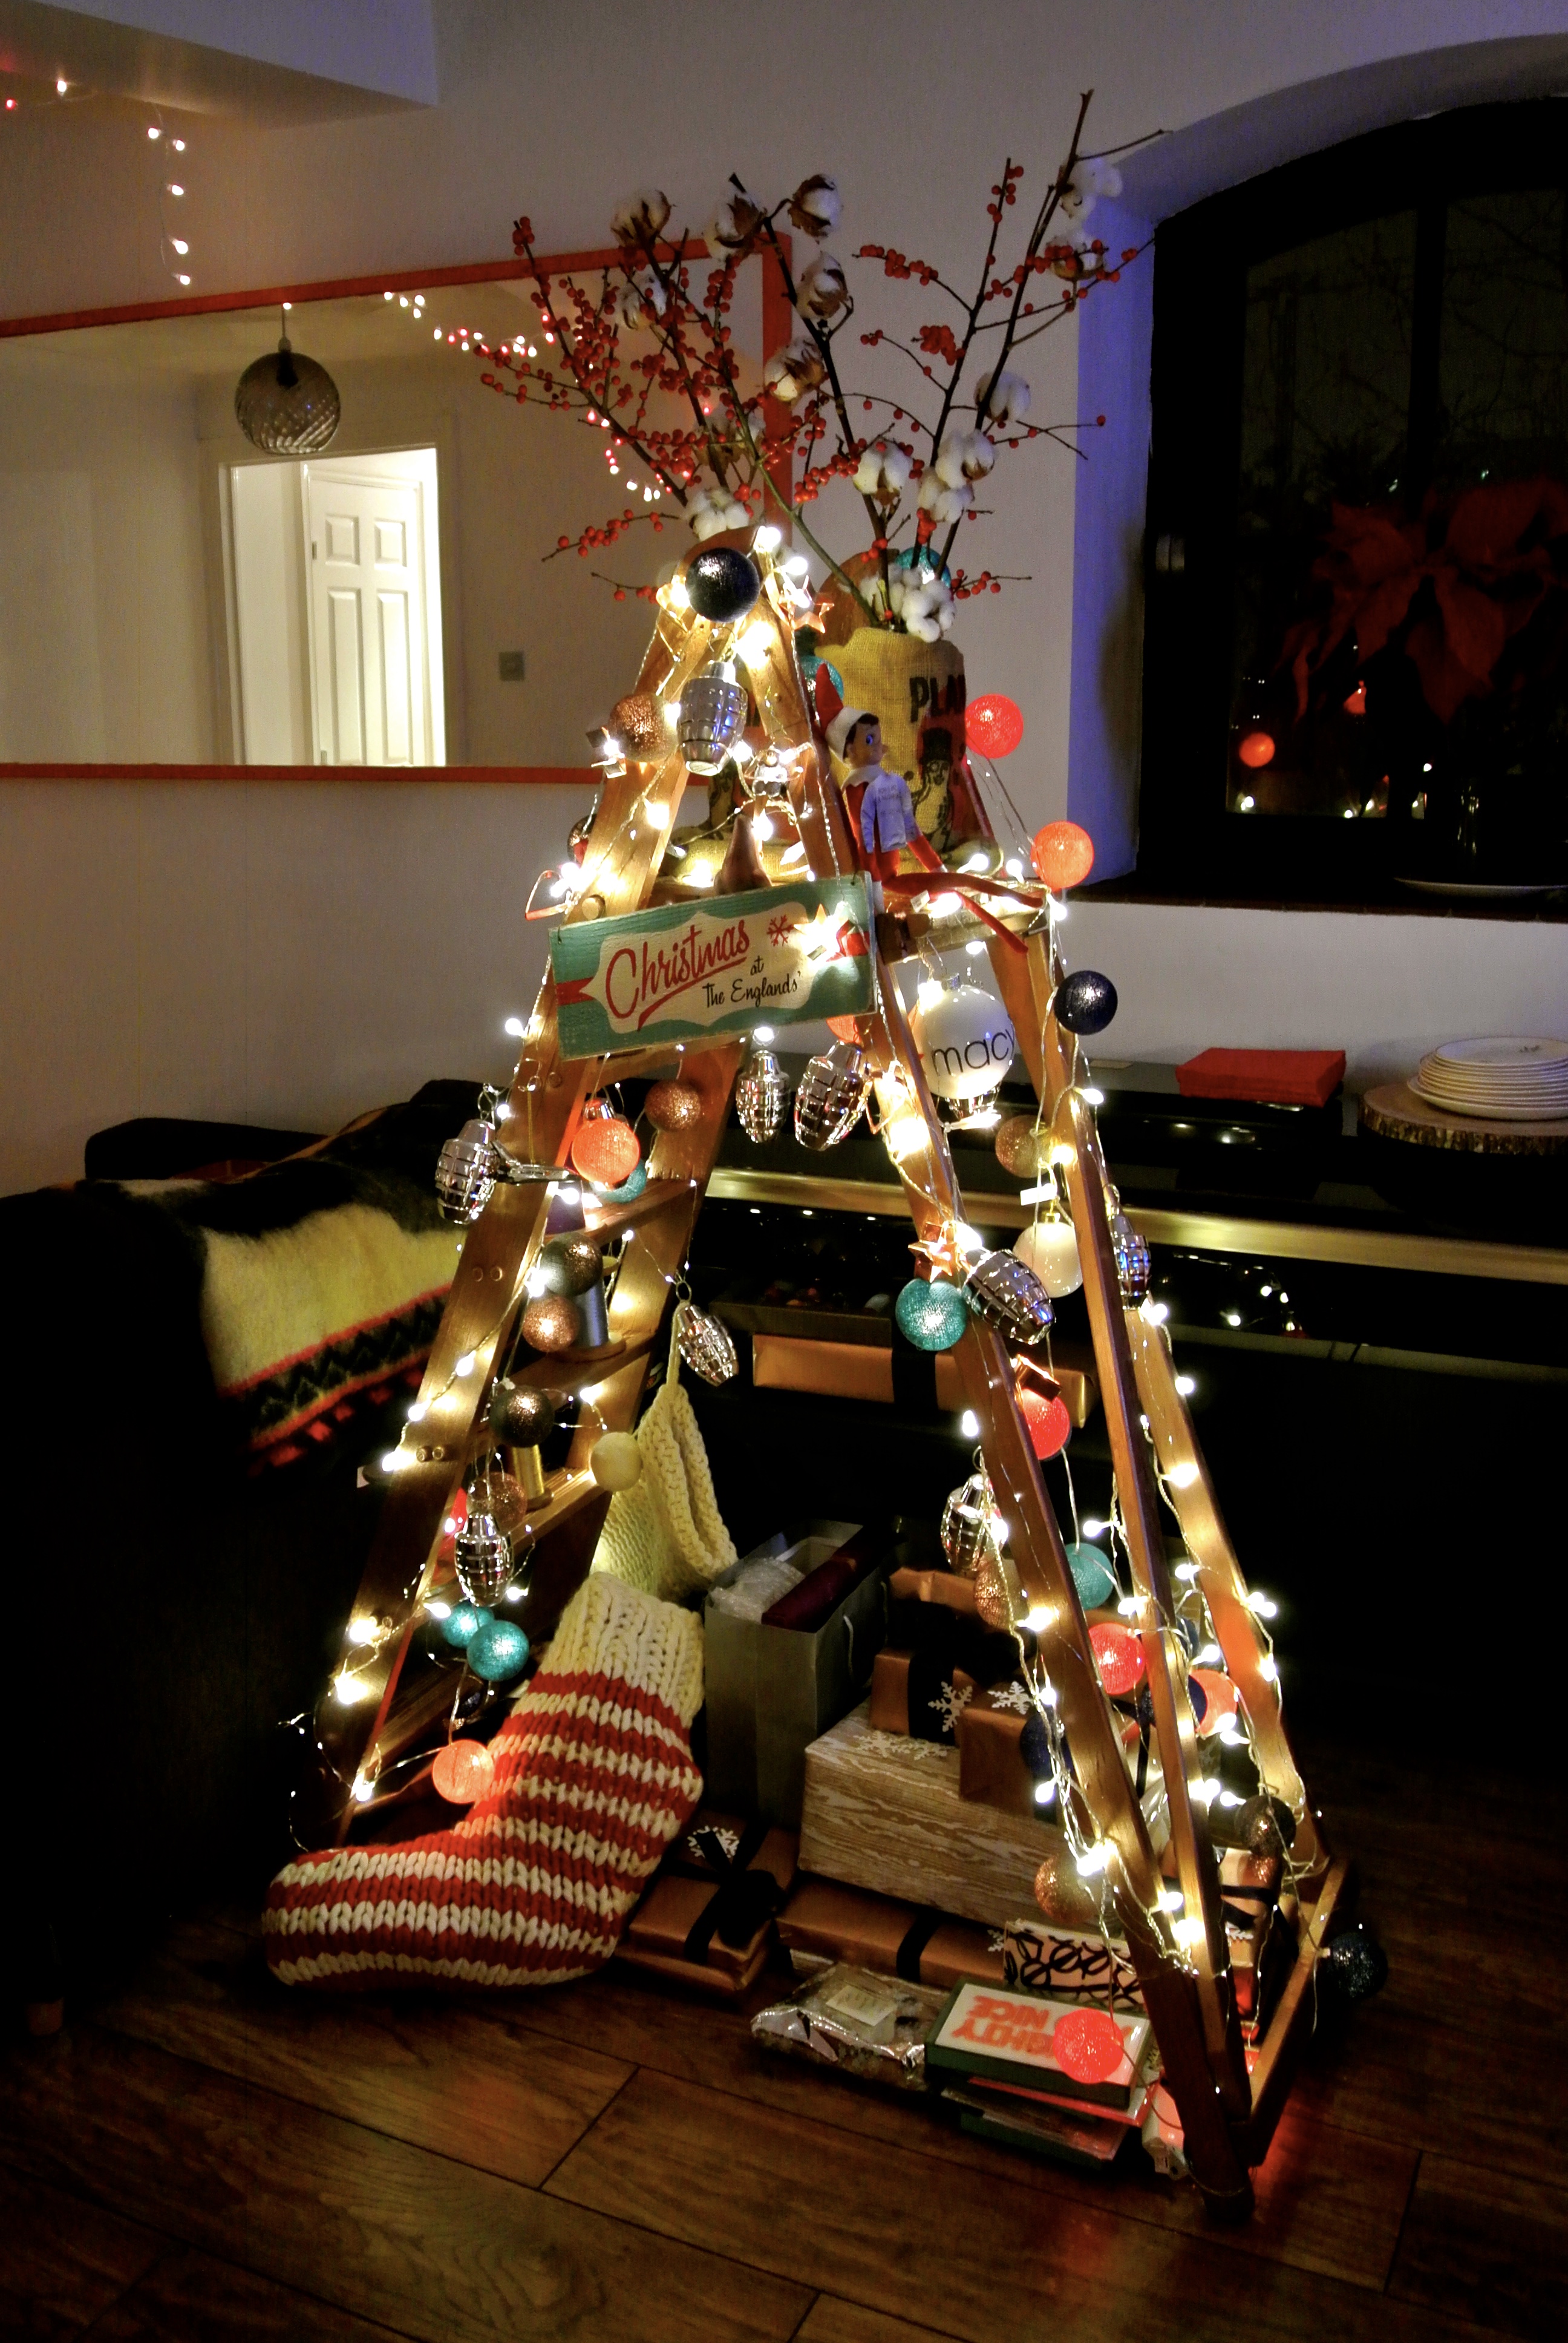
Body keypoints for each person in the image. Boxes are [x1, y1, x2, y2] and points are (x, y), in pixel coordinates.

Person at [825, 705, 945, 885]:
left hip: (891, 868)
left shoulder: (883, 781)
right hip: (879, 876)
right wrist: (874, 886)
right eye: (869, 740)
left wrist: (937, 869)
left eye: (879, 740)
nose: (879, 747)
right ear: (851, 751)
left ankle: (940, 874)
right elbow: (864, 838)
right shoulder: (857, 785)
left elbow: (910, 830)